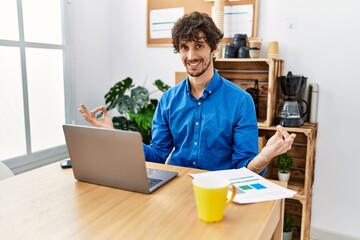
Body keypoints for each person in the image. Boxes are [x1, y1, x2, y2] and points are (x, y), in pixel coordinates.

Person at [79, 11, 296, 175]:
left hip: (218, 192)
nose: (191, 55)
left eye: (199, 45)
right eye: (184, 47)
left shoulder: (240, 102)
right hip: (176, 186)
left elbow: (244, 168)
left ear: (213, 48)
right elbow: (158, 155)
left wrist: (264, 157)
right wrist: (116, 135)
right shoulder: (168, 100)